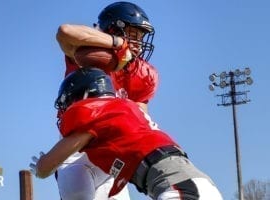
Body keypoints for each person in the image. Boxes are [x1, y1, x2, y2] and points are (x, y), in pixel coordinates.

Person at [30, 68, 223, 200]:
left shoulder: (93, 111)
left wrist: (40, 165)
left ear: (83, 96)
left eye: (68, 103)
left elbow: (47, 166)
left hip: (180, 187)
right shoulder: (127, 108)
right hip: (191, 183)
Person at [54, 1, 158, 199]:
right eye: (133, 35)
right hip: (76, 149)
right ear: (112, 30)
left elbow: (140, 120)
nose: (138, 43)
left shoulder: (144, 73)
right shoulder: (88, 55)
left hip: (111, 150)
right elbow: (65, 31)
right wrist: (117, 44)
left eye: (141, 37)